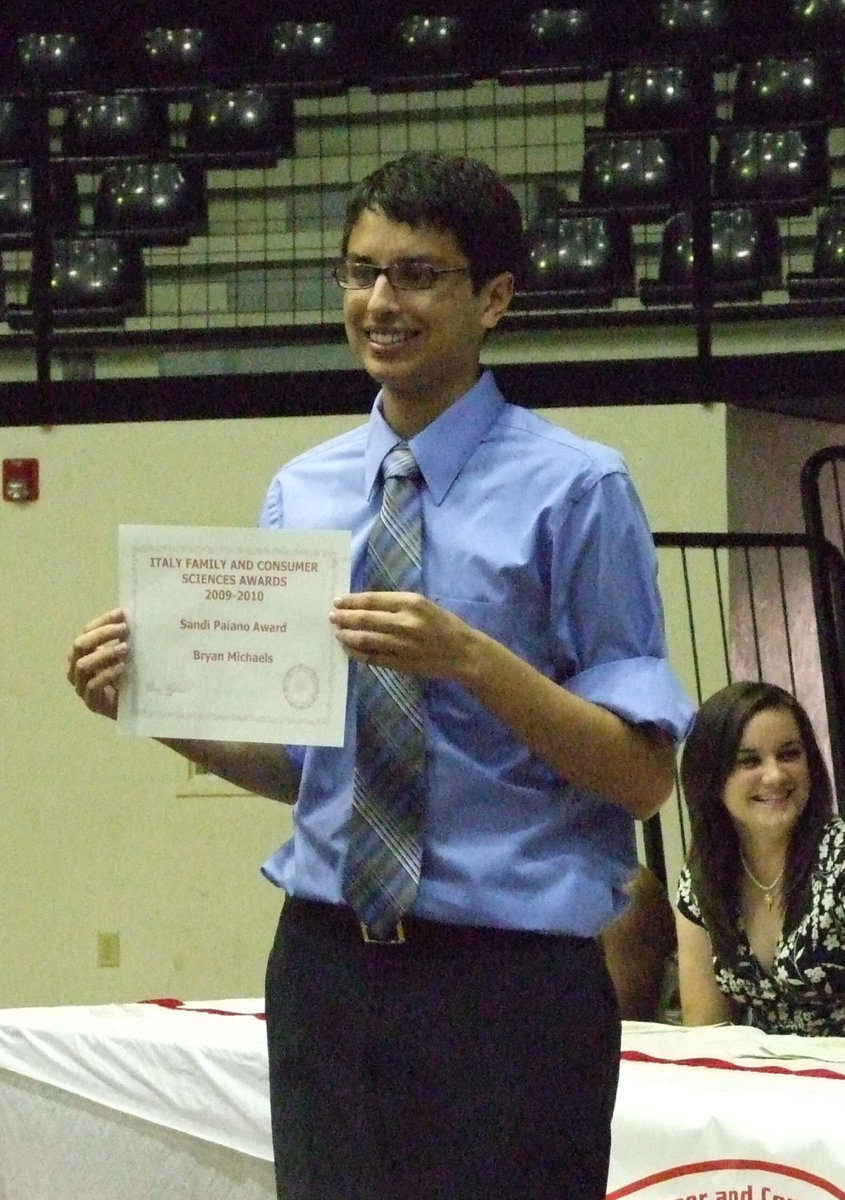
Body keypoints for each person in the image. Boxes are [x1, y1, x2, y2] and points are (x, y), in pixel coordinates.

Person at [67, 151, 693, 1200]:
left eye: (416, 274)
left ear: (494, 297)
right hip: (325, 967)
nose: (378, 302)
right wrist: (155, 707)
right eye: (358, 272)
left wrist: (471, 661)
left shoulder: (577, 489)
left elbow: (640, 778)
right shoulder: (299, 492)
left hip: (508, 978)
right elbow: (308, 769)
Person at [675, 679, 845, 1036]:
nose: (775, 775)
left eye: (789, 754)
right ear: (710, 777)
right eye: (748, 761)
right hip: (768, 1083)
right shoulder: (702, 876)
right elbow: (706, 1031)